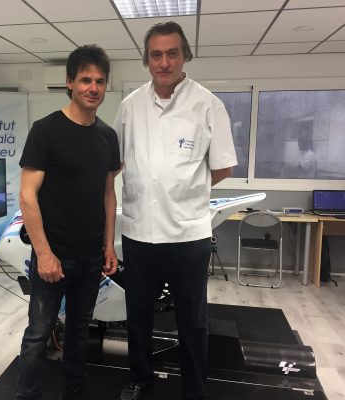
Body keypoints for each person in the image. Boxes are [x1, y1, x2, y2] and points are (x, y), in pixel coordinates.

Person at [113, 22, 237, 400]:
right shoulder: (130, 106)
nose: (164, 62)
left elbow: (223, 167)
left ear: (185, 56)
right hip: (139, 233)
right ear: (147, 60)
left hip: (187, 235)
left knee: (192, 321)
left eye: (172, 53)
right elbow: (116, 162)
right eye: (156, 55)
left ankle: (194, 390)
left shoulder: (208, 105)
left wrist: (185, 189)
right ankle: (141, 378)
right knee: (138, 315)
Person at [16, 45, 120, 400]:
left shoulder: (108, 136)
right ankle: (27, 396)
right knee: (38, 333)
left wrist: (108, 246)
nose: (93, 87)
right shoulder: (45, 130)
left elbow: (108, 193)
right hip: (53, 257)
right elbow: (27, 196)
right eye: (86, 80)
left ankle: (74, 392)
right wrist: (44, 254)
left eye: (100, 81)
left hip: (90, 257)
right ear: (70, 83)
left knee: (79, 330)